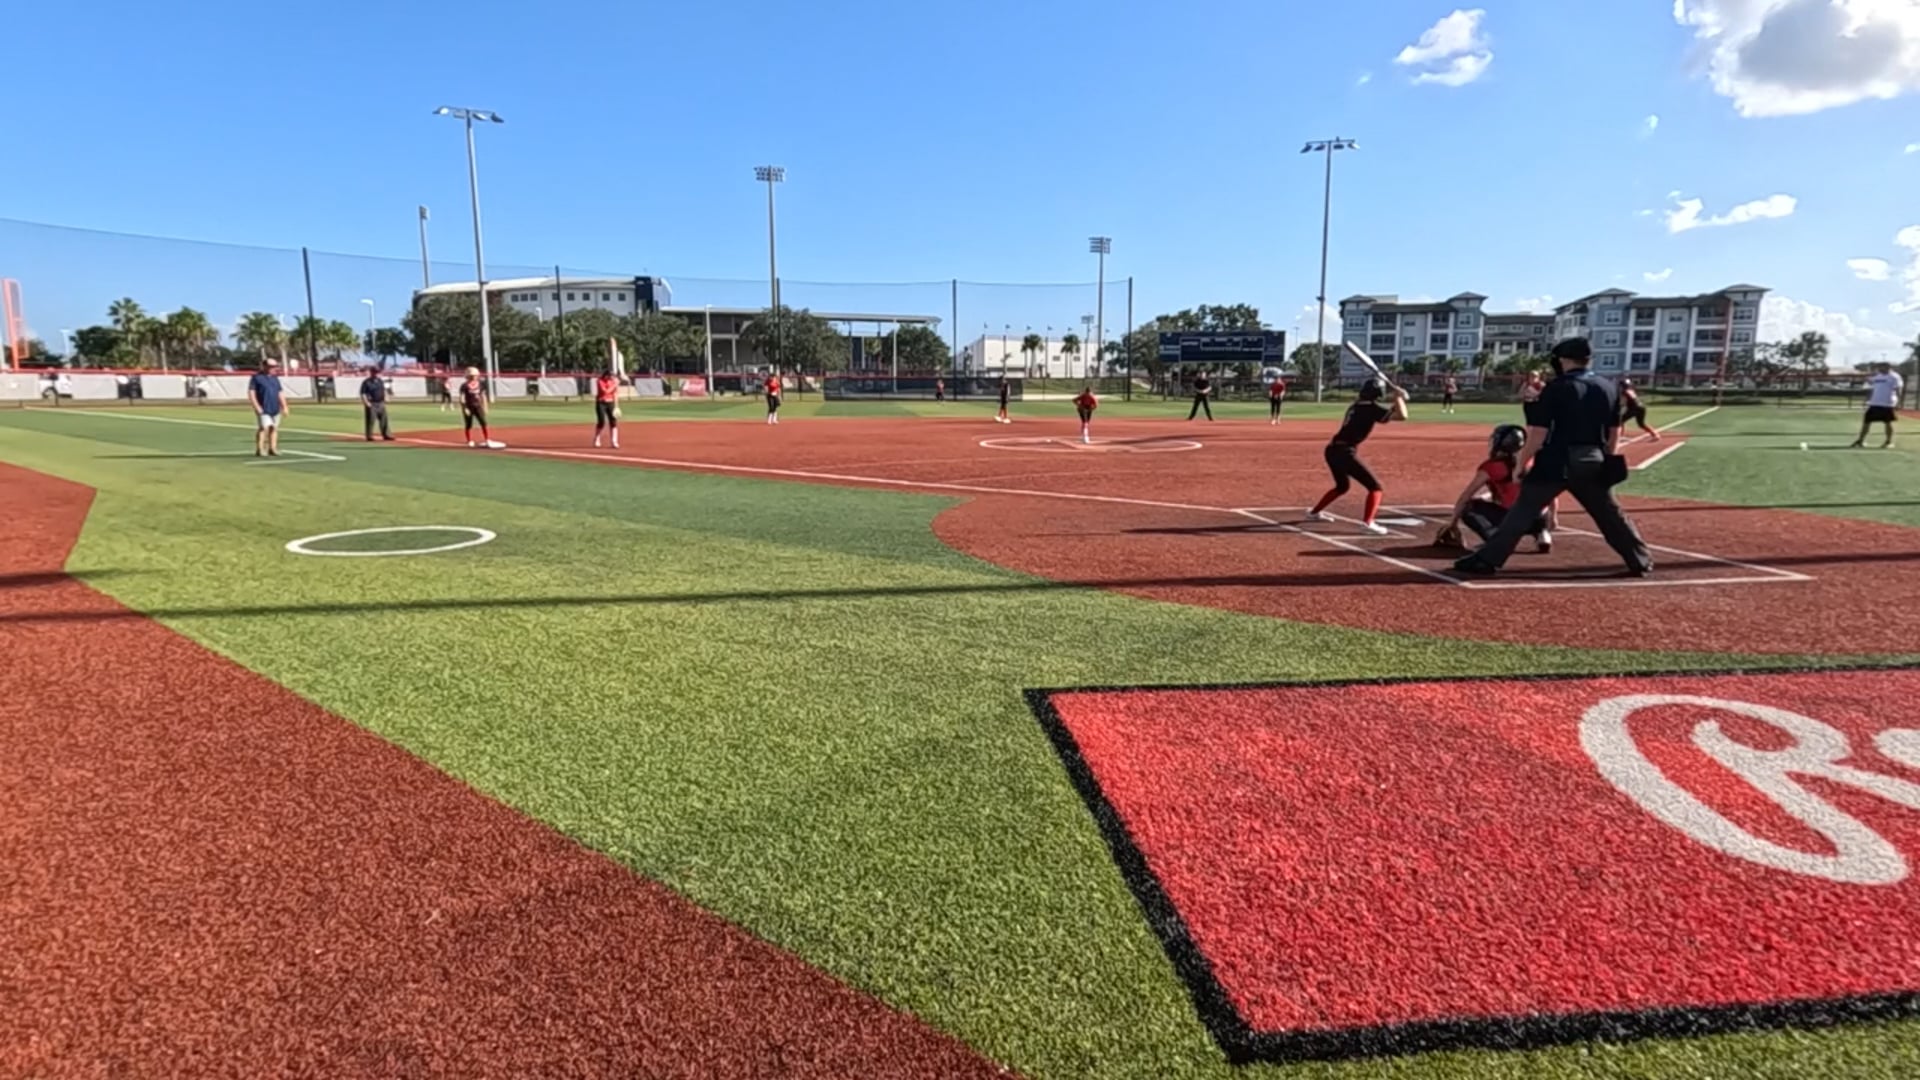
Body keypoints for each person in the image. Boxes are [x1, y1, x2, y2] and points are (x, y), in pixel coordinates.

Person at [1455, 338, 1652, 577]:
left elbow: (1538, 433)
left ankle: (1487, 560)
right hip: (1593, 457)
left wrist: (1520, 464)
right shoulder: (1607, 387)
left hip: (1556, 460)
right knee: (1610, 514)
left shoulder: (1557, 387)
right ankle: (1640, 559)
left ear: (1564, 359)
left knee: (1523, 510)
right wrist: (1608, 457)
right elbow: (1614, 431)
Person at [1306, 378, 1408, 535]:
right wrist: (1398, 396)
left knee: (1342, 487)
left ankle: (1314, 512)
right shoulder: (1371, 409)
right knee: (1375, 487)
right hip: (1345, 452)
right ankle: (1368, 523)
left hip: (1332, 450)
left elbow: (1391, 412)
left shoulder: (1356, 406)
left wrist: (1399, 398)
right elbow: (1402, 416)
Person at [1438, 423, 1551, 553]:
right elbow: (1550, 491)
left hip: (1514, 519)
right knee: (1537, 500)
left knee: (1468, 507)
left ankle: (1496, 539)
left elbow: (1466, 496)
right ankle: (1542, 534)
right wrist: (1552, 517)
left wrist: (1452, 524)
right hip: (1539, 518)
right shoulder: (1532, 462)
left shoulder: (1492, 467)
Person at [1852, 361, 1904, 449]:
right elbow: (1872, 388)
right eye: (1879, 367)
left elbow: (1898, 390)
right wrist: (1866, 400)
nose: (1879, 369)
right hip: (1874, 403)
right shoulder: (1877, 376)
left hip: (1887, 404)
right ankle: (1860, 441)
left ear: (1887, 367)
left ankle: (1888, 442)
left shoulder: (1894, 377)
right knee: (1866, 422)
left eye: (1881, 367)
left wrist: (1899, 402)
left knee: (1888, 422)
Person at [248, 358, 287, 457]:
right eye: (271, 366)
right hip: (263, 408)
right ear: (265, 366)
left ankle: (273, 448)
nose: (274, 368)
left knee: (274, 428)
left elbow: (280, 393)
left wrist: (284, 406)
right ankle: (260, 449)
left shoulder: (275, 378)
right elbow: (252, 393)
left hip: (275, 407)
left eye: (275, 366)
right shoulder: (256, 378)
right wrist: (256, 406)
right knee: (263, 428)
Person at [459, 366, 493, 447]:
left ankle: (487, 439)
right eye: (471, 376)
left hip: (478, 406)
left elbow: (483, 396)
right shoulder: (464, 386)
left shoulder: (480, 384)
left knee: (483, 423)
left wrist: (485, 407)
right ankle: (469, 440)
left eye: (474, 375)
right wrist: (465, 408)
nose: (473, 377)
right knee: (469, 424)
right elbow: (462, 398)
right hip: (469, 406)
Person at [359, 367, 393, 442]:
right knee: (371, 420)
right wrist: (366, 402)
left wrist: (386, 397)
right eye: (375, 372)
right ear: (371, 372)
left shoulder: (380, 381)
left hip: (380, 402)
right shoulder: (366, 382)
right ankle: (369, 436)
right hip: (372, 403)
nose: (376, 374)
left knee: (384, 420)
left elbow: (384, 390)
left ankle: (386, 435)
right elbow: (363, 393)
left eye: (377, 372)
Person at [1619, 376, 1659, 441]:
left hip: (1634, 408)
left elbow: (1623, 402)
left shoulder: (1624, 392)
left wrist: (1620, 406)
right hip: (1642, 407)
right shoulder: (1631, 390)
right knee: (1641, 424)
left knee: (1620, 420)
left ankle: (1621, 436)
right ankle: (1655, 435)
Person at [592, 369, 621, 448]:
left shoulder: (612, 381)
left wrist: (616, 406)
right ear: (606, 375)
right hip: (601, 403)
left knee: (613, 422)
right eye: (610, 376)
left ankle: (614, 441)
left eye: (612, 376)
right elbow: (605, 391)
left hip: (610, 402)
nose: (612, 377)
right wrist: (615, 385)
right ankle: (597, 438)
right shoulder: (600, 381)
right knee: (601, 422)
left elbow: (615, 394)